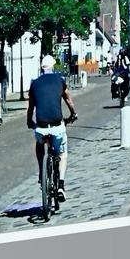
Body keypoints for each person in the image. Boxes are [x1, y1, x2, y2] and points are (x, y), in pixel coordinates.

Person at [27, 54, 77, 197]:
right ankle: (61, 184)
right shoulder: (59, 80)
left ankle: (42, 172)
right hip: (57, 125)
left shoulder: (34, 83)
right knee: (62, 153)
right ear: (53, 66)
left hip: (41, 126)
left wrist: (29, 121)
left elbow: (30, 107)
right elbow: (68, 99)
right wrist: (73, 113)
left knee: (39, 143)